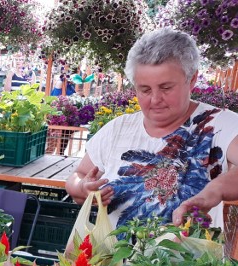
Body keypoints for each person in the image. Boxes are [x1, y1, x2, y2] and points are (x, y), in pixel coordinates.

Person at [66, 28, 238, 231]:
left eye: (166, 88)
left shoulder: (221, 124)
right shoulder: (118, 129)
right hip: (112, 260)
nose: (155, 99)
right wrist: (83, 188)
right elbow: (79, 175)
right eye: (145, 90)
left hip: (190, 261)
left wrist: (214, 191)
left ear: (191, 79)